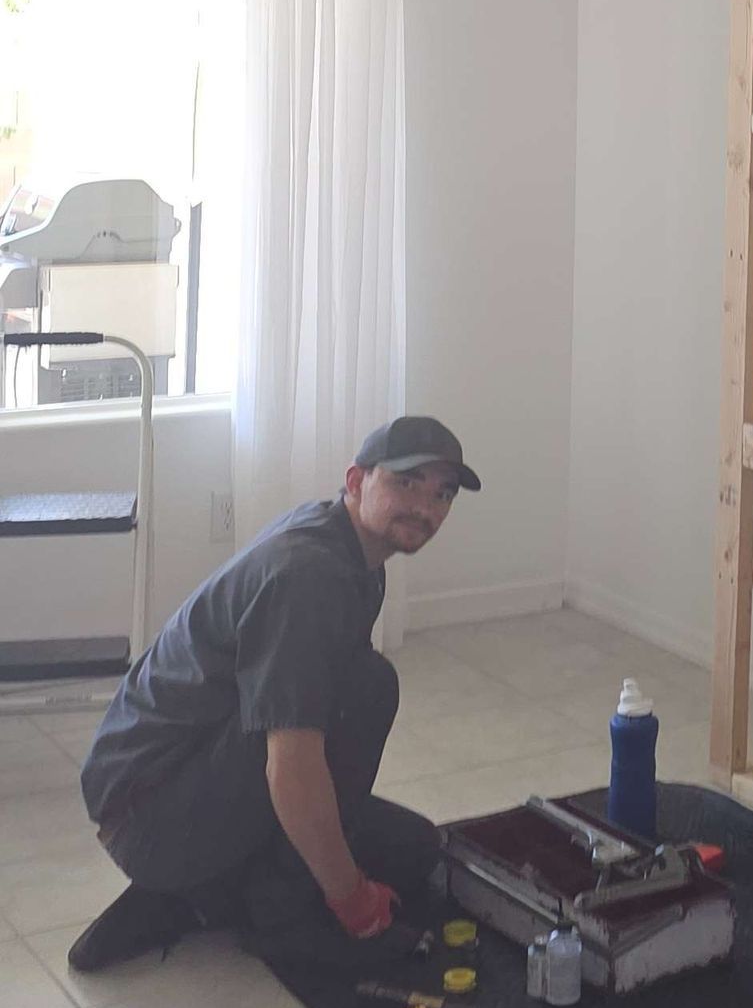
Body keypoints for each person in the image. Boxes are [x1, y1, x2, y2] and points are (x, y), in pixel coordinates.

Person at [65, 416, 481, 974]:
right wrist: (354, 904)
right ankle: (280, 920)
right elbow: (293, 766)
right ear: (356, 480)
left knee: (415, 849)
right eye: (407, 483)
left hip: (177, 783)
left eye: (442, 494)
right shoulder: (309, 576)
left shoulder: (352, 550)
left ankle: (194, 895)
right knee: (369, 688)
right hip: (149, 814)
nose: (426, 507)